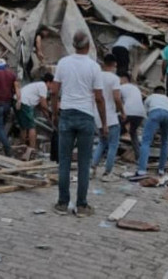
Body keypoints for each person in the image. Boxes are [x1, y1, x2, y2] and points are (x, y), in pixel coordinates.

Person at [51, 31, 106, 217]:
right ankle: (82, 205)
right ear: (88, 45)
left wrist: (54, 113)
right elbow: (99, 98)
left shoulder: (63, 63)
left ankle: (62, 203)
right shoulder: (94, 67)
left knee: (64, 161)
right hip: (86, 116)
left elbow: (54, 91)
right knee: (84, 163)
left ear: (73, 45)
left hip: (66, 113)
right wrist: (104, 123)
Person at [91, 54, 125, 182]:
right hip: (110, 115)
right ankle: (107, 172)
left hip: (97, 114)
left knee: (102, 142)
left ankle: (93, 166)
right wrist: (122, 111)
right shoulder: (114, 78)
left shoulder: (97, 76)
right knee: (113, 144)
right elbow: (117, 97)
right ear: (114, 64)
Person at [136, 86, 168, 176]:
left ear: (154, 92)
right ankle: (161, 169)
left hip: (155, 113)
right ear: (163, 93)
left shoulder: (150, 97)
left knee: (146, 141)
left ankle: (142, 170)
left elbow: (144, 114)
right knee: (165, 142)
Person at [0, 59, 20, 157]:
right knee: (0, 125)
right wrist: (19, 100)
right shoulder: (11, 74)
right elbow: (17, 87)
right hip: (8, 103)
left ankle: (8, 148)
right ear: (5, 66)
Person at [17, 73, 54, 150]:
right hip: (25, 103)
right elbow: (43, 104)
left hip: (19, 101)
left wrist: (48, 118)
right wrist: (51, 113)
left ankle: (22, 147)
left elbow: (41, 107)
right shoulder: (43, 86)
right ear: (48, 82)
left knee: (23, 126)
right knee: (32, 127)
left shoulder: (38, 85)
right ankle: (32, 149)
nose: (53, 87)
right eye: (52, 84)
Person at [119, 75, 145, 160]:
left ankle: (108, 152)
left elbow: (117, 100)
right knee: (133, 132)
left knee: (115, 131)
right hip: (140, 113)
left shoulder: (121, 87)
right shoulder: (136, 88)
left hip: (129, 111)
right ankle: (139, 156)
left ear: (124, 79)